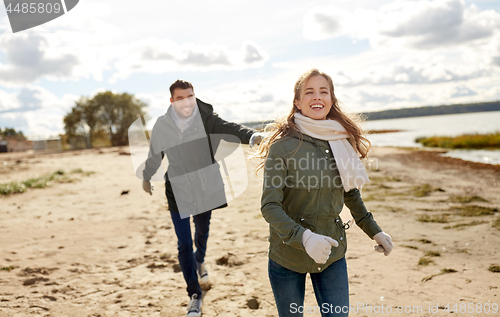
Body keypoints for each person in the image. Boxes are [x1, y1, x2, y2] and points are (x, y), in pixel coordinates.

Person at [255, 69, 393, 317]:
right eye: (309, 92)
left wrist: (375, 231)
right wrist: (305, 238)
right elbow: (269, 206)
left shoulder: (341, 141)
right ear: (297, 102)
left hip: (333, 252)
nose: (317, 97)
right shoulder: (282, 147)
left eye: (323, 91)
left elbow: (350, 194)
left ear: (331, 99)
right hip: (287, 255)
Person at [141, 79, 262, 317]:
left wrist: (253, 135)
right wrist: (146, 177)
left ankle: (200, 261)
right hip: (177, 190)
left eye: (190, 96)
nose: (186, 102)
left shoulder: (206, 118)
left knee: (202, 232)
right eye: (180, 98)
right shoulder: (162, 126)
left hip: (205, 188)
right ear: (172, 101)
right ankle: (194, 295)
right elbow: (155, 153)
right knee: (184, 243)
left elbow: (231, 128)